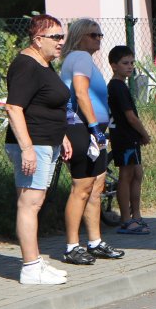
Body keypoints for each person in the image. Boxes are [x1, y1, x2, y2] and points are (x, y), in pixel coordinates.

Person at [3, 14, 73, 285]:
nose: (61, 42)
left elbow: (45, 104)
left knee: (36, 202)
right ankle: (31, 268)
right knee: (29, 203)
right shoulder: (26, 65)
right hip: (33, 144)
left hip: (47, 142)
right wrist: (28, 148)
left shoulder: (43, 63)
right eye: (55, 37)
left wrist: (62, 136)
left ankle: (35, 261)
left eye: (62, 36)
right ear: (38, 39)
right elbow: (14, 107)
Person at [59, 19, 125, 265]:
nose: (98, 39)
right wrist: (94, 128)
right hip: (82, 128)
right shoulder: (81, 58)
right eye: (93, 35)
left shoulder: (82, 58)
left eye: (100, 35)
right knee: (82, 187)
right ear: (79, 36)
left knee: (96, 187)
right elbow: (80, 92)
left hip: (90, 129)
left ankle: (95, 242)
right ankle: (71, 246)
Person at [107, 45, 152, 234]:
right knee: (126, 176)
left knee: (137, 174)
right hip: (124, 137)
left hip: (129, 138)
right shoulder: (116, 86)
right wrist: (144, 134)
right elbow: (131, 117)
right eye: (125, 63)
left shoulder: (121, 86)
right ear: (114, 65)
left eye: (132, 63)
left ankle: (137, 215)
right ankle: (126, 219)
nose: (130, 66)